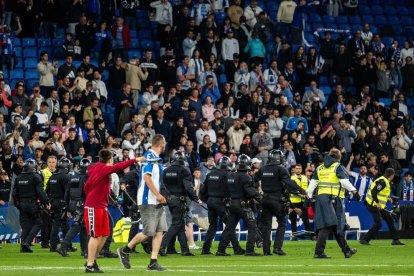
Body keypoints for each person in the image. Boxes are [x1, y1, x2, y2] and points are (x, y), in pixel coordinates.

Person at [83, 149, 144, 273]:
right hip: (94, 206)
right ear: (110, 159)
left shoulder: (94, 168)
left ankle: (92, 260)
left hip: (101, 206)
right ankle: (90, 265)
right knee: (95, 236)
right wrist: (135, 160)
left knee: (105, 234)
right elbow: (119, 166)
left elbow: (86, 186)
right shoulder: (103, 168)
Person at [117, 134, 168, 271]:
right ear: (161, 144)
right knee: (148, 232)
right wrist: (158, 195)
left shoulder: (156, 159)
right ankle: (125, 250)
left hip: (156, 200)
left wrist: (160, 195)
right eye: (164, 143)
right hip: (148, 200)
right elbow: (146, 178)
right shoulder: (149, 158)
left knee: (159, 231)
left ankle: (153, 262)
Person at [307, 148, 359, 259]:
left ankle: (346, 250)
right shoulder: (337, 166)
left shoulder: (319, 167)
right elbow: (344, 181)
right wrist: (354, 191)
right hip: (333, 199)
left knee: (335, 226)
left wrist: (309, 196)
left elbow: (312, 183)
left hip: (321, 198)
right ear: (338, 157)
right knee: (328, 225)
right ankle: (319, 252)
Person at [254, 150, 306, 256]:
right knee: (282, 223)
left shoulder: (262, 169)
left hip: (265, 199)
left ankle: (266, 250)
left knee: (266, 225)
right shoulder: (281, 169)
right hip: (277, 200)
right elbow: (289, 183)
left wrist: (256, 193)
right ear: (280, 158)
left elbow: (253, 180)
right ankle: (277, 248)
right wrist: (301, 190)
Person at [199, 156, 245, 255]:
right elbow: (232, 189)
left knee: (212, 227)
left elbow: (203, 191)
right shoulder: (229, 174)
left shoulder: (210, 174)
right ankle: (236, 248)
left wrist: (208, 200)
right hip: (221, 202)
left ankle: (205, 249)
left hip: (211, 202)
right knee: (230, 226)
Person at [217, 154, 261, 256]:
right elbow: (251, 192)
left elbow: (226, 190)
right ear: (248, 164)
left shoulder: (231, 175)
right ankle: (250, 250)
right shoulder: (246, 177)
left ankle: (221, 249)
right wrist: (261, 200)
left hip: (232, 204)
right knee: (252, 226)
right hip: (243, 205)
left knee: (229, 228)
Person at [159, 151, 202, 256]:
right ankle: (161, 246)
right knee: (176, 224)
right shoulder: (184, 170)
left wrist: (166, 198)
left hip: (169, 200)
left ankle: (184, 250)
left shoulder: (166, 171)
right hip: (180, 200)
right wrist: (196, 198)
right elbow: (188, 187)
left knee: (180, 224)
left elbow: (162, 187)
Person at [360, 168, 405, 246]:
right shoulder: (383, 182)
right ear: (391, 176)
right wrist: (377, 203)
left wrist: (388, 199)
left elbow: (380, 194)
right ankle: (365, 239)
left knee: (390, 219)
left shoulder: (384, 180)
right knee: (379, 223)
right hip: (372, 204)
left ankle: (395, 240)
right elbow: (374, 191)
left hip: (377, 205)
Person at [13, 159, 50, 253]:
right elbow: (41, 192)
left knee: (25, 226)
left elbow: (14, 193)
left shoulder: (18, 178)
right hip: (32, 204)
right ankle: (27, 242)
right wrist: (46, 201)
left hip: (22, 204)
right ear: (33, 167)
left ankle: (23, 247)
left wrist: (18, 204)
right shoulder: (35, 177)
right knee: (38, 222)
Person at [57, 158, 91, 257]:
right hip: (82, 204)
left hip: (73, 203)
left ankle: (84, 251)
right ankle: (63, 247)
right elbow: (88, 192)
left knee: (84, 227)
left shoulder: (73, 177)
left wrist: (67, 207)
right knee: (76, 226)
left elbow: (67, 193)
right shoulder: (87, 177)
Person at [46, 158, 72, 252]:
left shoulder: (53, 176)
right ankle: (63, 246)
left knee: (58, 224)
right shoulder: (65, 176)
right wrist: (66, 204)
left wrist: (49, 202)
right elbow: (67, 192)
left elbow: (47, 191)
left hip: (53, 202)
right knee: (61, 224)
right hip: (62, 202)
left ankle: (56, 246)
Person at [289, 164, 312, 240]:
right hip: (293, 202)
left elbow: (309, 189)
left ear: (302, 169)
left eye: (300, 168)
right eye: (297, 168)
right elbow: (291, 190)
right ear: (294, 170)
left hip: (303, 202)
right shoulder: (291, 178)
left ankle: (311, 235)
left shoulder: (305, 178)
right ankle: (294, 236)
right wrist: (301, 193)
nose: (298, 170)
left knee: (305, 219)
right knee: (293, 220)